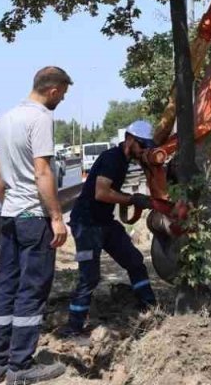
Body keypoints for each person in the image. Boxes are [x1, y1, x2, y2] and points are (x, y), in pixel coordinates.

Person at [0, 67, 72, 385]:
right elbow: (43, 173)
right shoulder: (40, 119)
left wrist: (7, 204)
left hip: (10, 215)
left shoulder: (6, 118)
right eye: (63, 94)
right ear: (52, 90)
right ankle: (21, 367)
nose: (62, 99)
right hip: (33, 217)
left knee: (7, 288)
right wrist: (56, 217)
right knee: (32, 289)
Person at [58, 120, 157, 339]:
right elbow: (101, 193)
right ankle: (73, 328)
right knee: (89, 277)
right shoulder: (112, 158)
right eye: (142, 146)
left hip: (104, 223)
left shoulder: (124, 160)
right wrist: (132, 199)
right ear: (130, 139)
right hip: (87, 224)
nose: (143, 151)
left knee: (135, 261)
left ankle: (151, 309)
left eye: (146, 147)